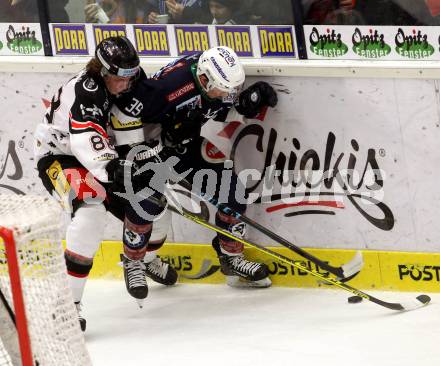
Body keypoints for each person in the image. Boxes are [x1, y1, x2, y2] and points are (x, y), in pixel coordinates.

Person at [34, 36, 177, 331]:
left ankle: (143, 260)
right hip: (60, 157)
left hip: (103, 159)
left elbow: (128, 134)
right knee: (90, 208)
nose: (126, 83)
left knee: (154, 209)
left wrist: (136, 163)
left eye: (131, 76)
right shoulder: (86, 91)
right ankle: (68, 305)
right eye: (120, 78)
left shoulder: (128, 83)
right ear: (102, 70)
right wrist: (115, 167)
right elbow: (85, 142)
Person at [112, 46, 278, 288]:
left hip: (183, 145)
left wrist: (243, 104)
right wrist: (134, 154)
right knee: (146, 203)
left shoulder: (210, 78)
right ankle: (134, 262)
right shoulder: (167, 87)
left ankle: (231, 257)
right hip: (147, 149)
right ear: (204, 79)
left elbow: (219, 106)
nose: (227, 95)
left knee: (232, 193)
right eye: (225, 90)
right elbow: (122, 113)